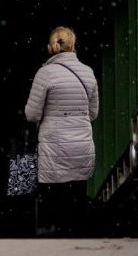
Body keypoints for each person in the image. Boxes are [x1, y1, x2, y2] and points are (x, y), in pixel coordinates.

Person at [24, 25, 99, 236]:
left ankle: (58, 240)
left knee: (55, 199)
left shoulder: (45, 74)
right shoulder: (88, 72)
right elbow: (93, 113)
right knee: (76, 197)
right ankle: (78, 237)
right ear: (74, 46)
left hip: (54, 150)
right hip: (81, 147)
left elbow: (32, 115)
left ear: (49, 48)